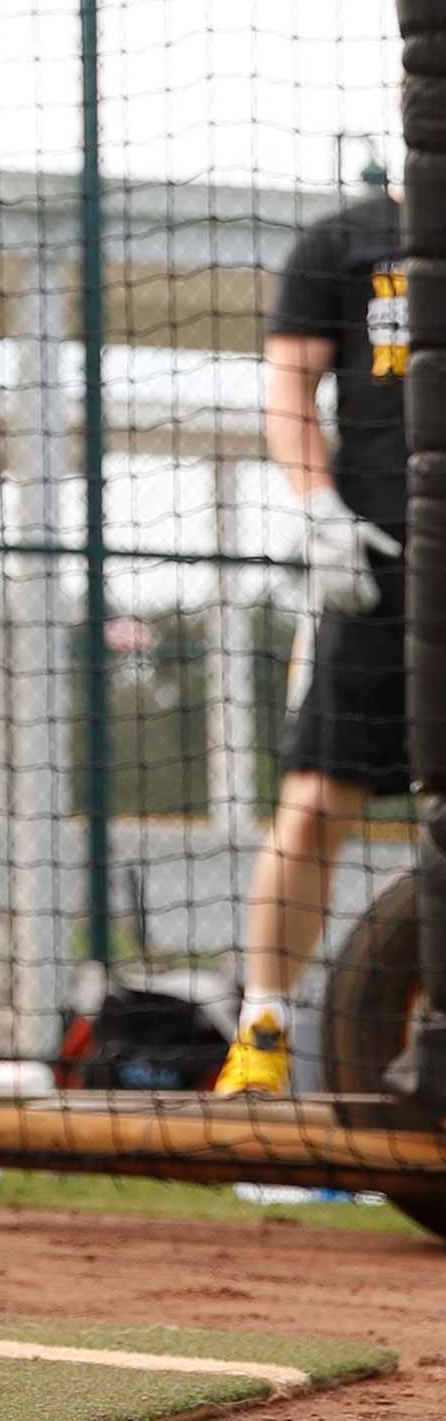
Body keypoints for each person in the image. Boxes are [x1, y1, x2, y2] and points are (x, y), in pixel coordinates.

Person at [216, 160, 409, 1095]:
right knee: (318, 804)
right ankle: (261, 1040)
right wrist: (320, 511)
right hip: (375, 562)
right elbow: (288, 393)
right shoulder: (343, 241)